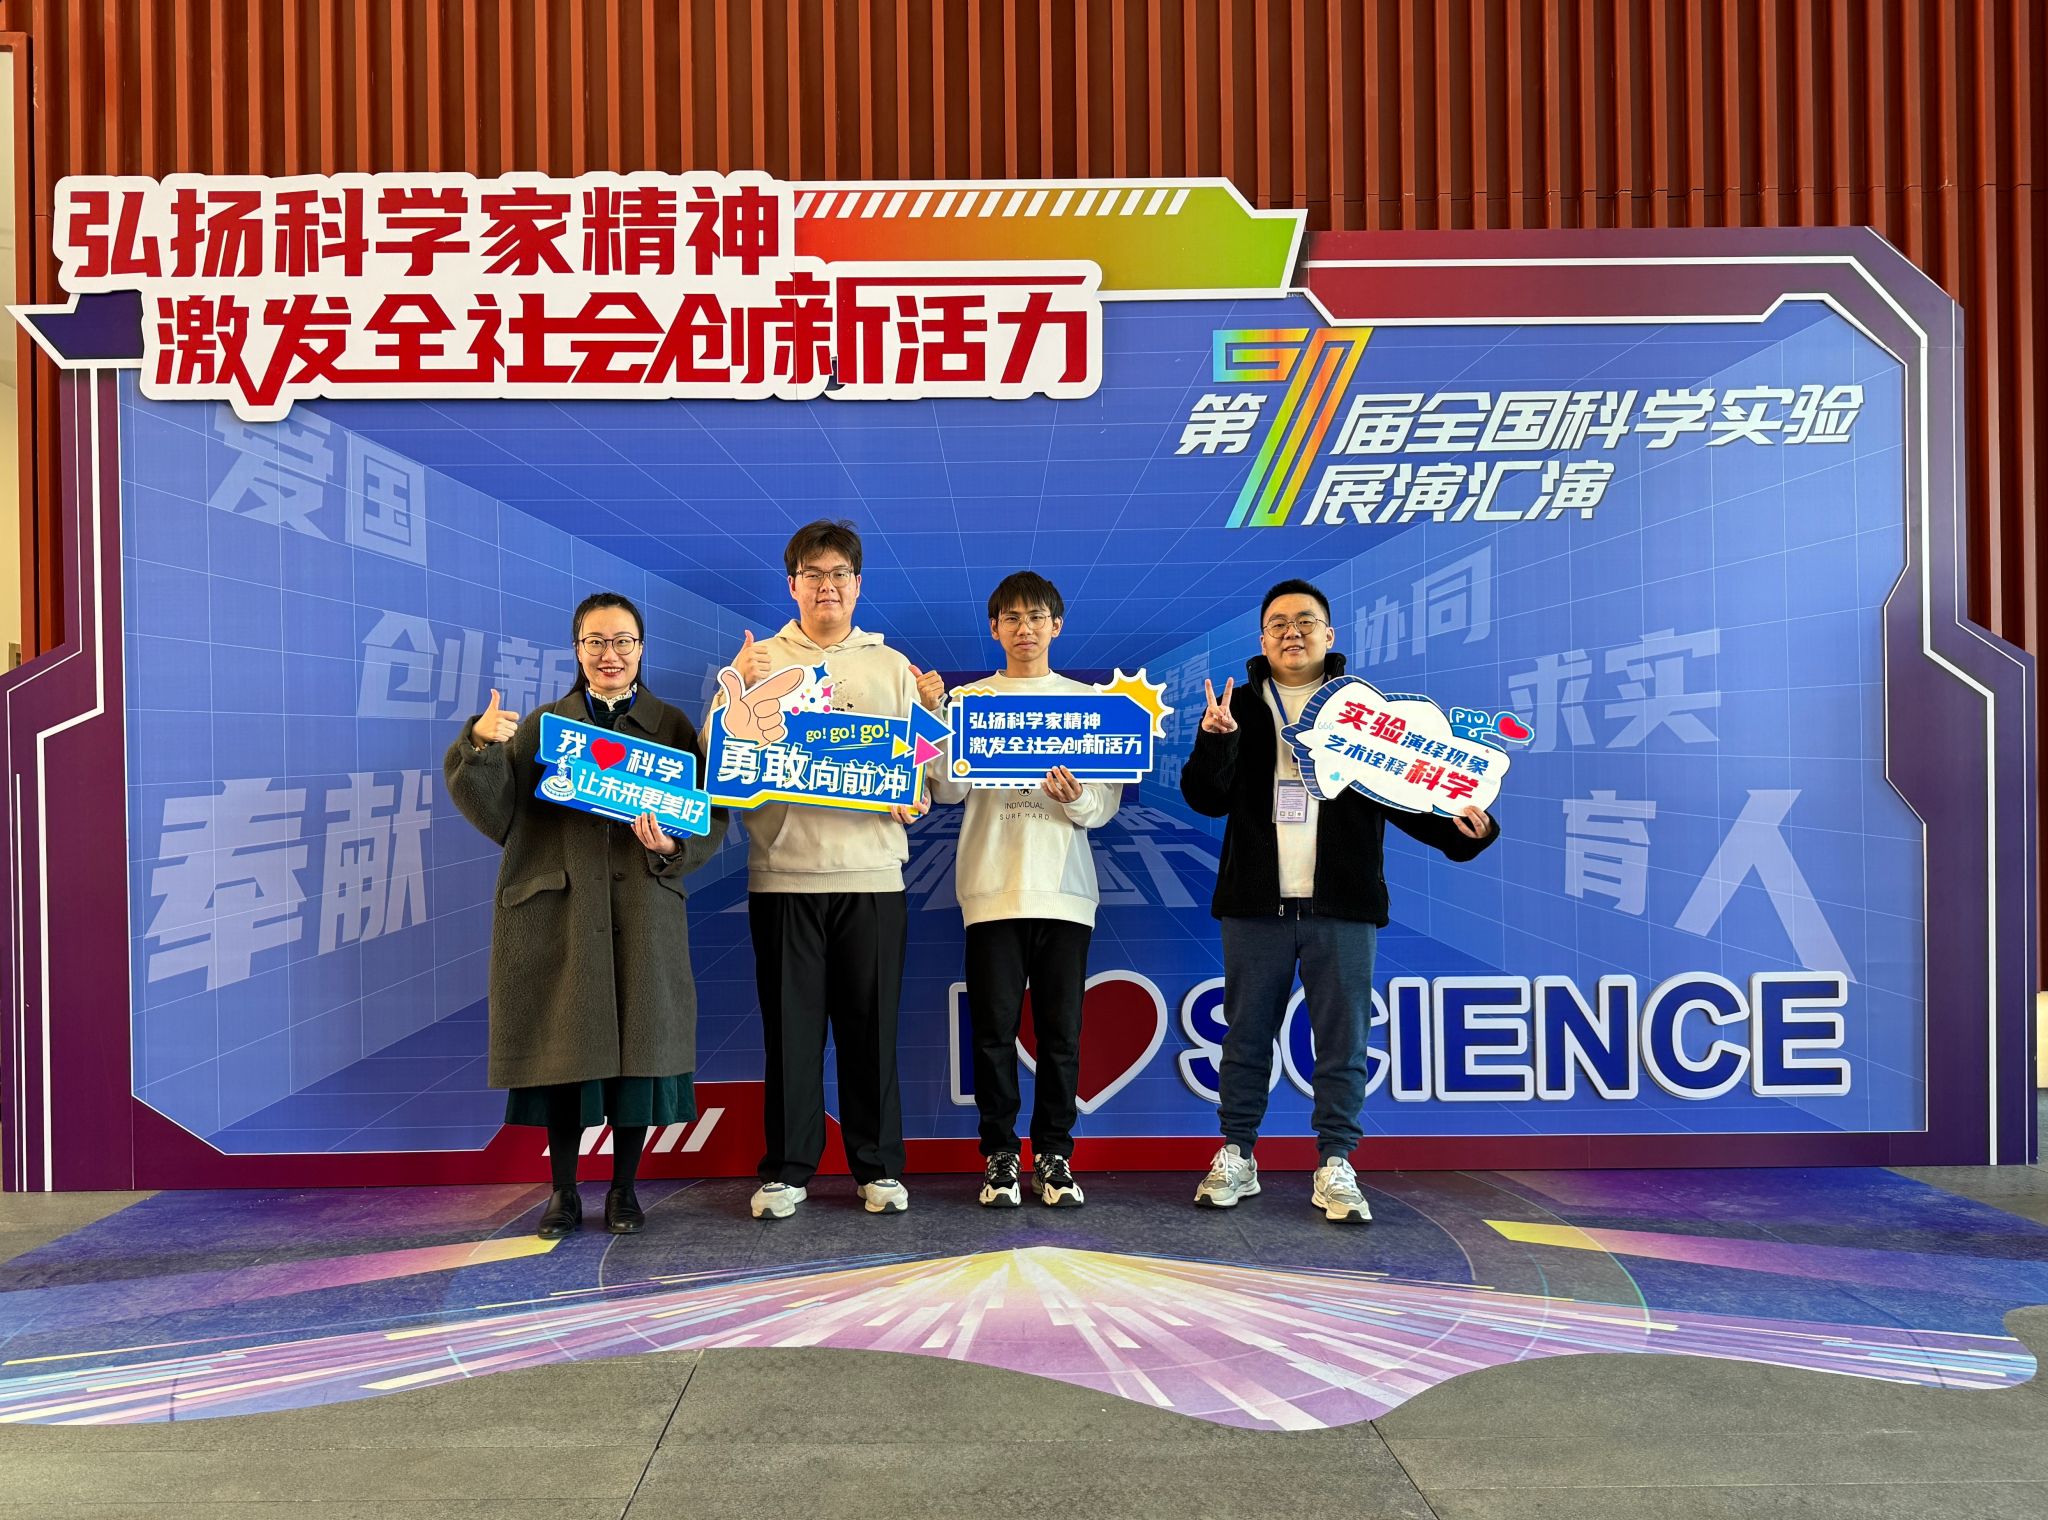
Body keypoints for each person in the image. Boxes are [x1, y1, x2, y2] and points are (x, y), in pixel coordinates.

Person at [1179, 578, 1499, 1224]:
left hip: (1343, 906)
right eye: (1278, 624)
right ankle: (1237, 1153)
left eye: (1305, 621)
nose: (1291, 633)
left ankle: (1335, 1162)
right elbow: (1205, 798)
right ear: (1262, 639)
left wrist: (1465, 830)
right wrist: (1216, 738)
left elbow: (1406, 797)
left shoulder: (1366, 715)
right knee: (1246, 1037)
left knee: (1342, 1042)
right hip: (1255, 906)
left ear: (1330, 634)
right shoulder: (1239, 707)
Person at [445, 591, 726, 1238]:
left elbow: (708, 817)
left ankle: (624, 1191)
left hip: (642, 912)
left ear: (641, 649)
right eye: (595, 641)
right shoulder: (544, 727)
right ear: (577, 650)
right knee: (568, 1057)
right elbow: (499, 815)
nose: (610, 654)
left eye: (623, 641)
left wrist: (673, 847)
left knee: (636, 1057)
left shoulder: (672, 728)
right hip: (561, 914)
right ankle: (563, 1193)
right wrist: (479, 747)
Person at [718, 520, 929, 1220]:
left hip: (872, 875)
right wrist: (736, 693)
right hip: (784, 875)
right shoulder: (758, 660)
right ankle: (787, 1170)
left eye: (839, 574)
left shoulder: (891, 666)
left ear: (858, 585)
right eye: (813, 575)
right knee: (791, 1034)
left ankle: (879, 1168)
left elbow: (933, 773)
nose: (827, 586)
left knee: (873, 1033)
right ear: (793, 585)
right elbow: (719, 765)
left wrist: (916, 790)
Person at [921, 571, 1120, 1208]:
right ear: (994, 628)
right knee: (992, 1034)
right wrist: (933, 718)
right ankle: (1000, 1155)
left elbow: (1104, 806)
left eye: (1036, 617)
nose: (1025, 628)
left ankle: (1055, 1156)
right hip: (991, 888)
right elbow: (947, 790)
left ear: (1056, 625)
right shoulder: (969, 701)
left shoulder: (1088, 705)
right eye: (1012, 617)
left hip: (1065, 892)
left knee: (1061, 1036)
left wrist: (1077, 797)